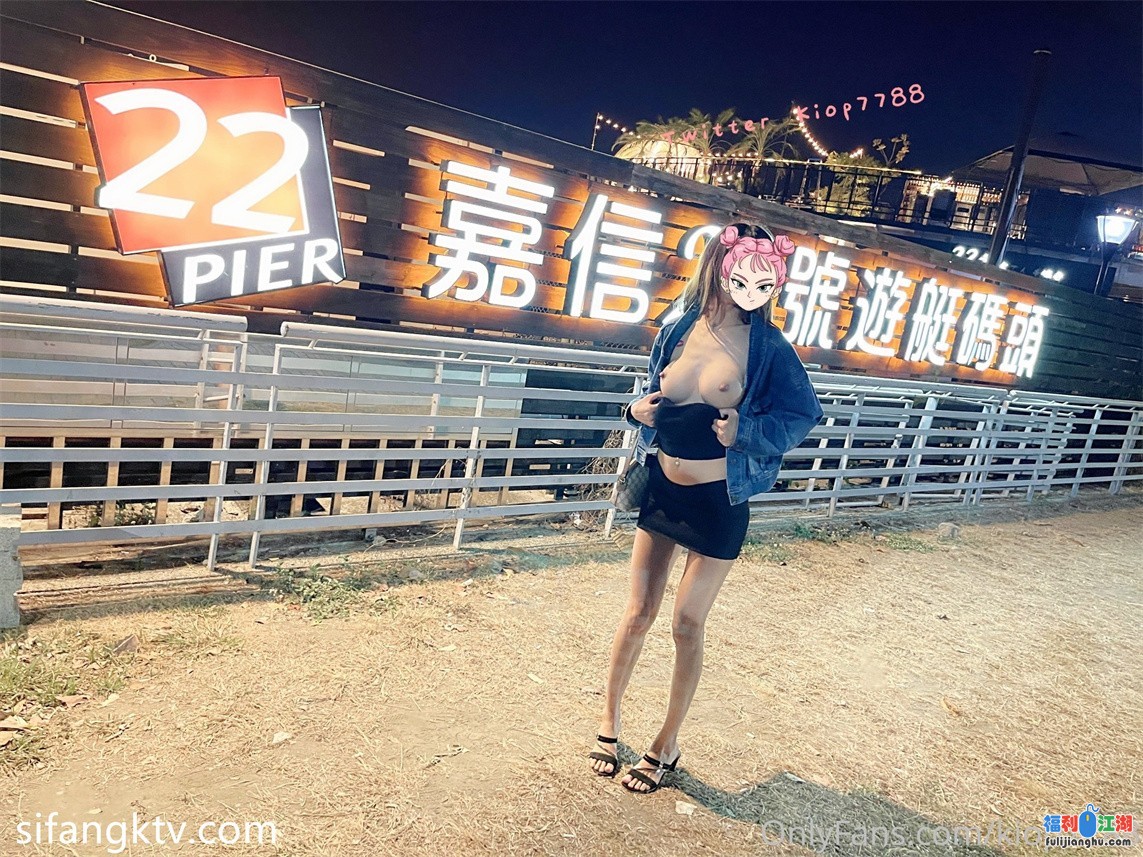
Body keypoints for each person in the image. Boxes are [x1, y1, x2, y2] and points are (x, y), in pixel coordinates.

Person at [587, 222, 824, 793]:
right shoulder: (677, 326)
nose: (751, 289)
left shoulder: (769, 348)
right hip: (661, 487)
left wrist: (747, 432)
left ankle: (665, 746)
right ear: (719, 266)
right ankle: (608, 725)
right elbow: (651, 394)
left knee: (687, 623)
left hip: (719, 498)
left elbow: (801, 415)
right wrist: (634, 413)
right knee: (637, 612)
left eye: (764, 282)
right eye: (741, 275)